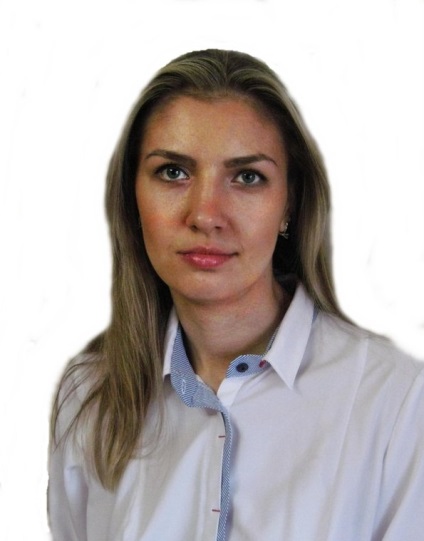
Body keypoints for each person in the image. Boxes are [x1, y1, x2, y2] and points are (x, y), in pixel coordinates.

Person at [48, 49, 424, 541]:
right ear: (131, 197)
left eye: (247, 177)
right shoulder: (89, 396)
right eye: (173, 172)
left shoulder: (397, 402)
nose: (206, 215)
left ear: (289, 204)